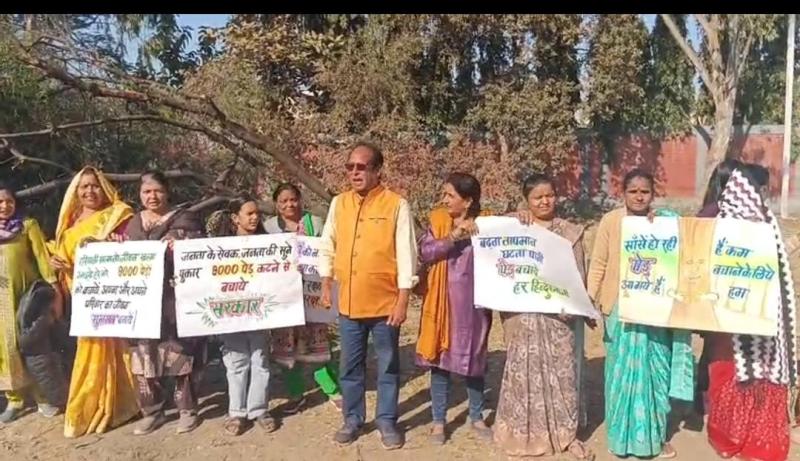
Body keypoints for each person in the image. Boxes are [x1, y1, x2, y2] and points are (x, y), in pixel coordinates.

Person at [587, 169, 694, 459]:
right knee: (620, 375)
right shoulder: (611, 221)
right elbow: (599, 263)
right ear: (622, 193)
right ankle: (620, 438)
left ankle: (654, 437)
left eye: (644, 191)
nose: (638, 197)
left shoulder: (664, 222)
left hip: (655, 310)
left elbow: (686, 250)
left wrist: (663, 222)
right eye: (633, 191)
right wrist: (590, 299)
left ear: (653, 194)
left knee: (656, 373)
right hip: (619, 309)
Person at [318, 141, 418, 450]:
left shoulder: (396, 204)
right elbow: (328, 243)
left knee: (387, 366)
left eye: (361, 167)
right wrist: (326, 282)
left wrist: (403, 300)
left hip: (385, 303)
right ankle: (352, 419)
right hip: (349, 302)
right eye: (350, 167)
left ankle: (386, 420)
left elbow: (407, 254)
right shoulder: (339, 203)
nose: (354, 172)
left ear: (377, 170)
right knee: (350, 367)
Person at [492, 173, 595, 460]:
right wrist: (516, 216)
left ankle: (566, 434)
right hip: (524, 316)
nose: (544, 201)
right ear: (526, 200)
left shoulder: (569, 233)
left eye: (549, 195)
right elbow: (489, 238)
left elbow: (579, 275)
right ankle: (524, 434)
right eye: (537, 197)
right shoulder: (515, 227)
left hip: (558, 319)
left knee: (563, 373)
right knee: (524, 373)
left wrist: (575, 306)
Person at [704, 166, 795, 461]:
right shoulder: (718, 222)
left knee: (762, 377)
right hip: (727, 320)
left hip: (763, 319)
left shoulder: (766, 224)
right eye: (760, 188)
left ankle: (757, 437)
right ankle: (729, 437)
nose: (764, 193)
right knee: (727, 375)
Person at [48, 167, 140, 438]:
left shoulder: (119, 215)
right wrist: (58, 264)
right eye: (84, 186)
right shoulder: (70, 224)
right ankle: (90, 407)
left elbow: (134, 250)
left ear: (104, 188)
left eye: (95, 185)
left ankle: (123, 404)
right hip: (85, 300)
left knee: (118, 347)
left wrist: (118, 244)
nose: (90, 191)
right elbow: (65, 262)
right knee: (89, 348)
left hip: (114, 297)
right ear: (75, 192)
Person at [123, 171, 206, 435]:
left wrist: (176, 248)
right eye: (146, 191)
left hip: (175, 299)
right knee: (144, 355)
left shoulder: (185, 219)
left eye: (157, 190)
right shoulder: (133, 224)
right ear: (140, 194)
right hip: (142, 302)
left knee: (180, 354)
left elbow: (199, 254)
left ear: (167, 191)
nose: (152, 196)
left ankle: (187, 410)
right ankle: (152, 411)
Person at [415, 172, 492, 445]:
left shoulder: (486, 224)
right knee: (439, 362)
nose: (444, 199)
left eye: (450, 195)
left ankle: (476, 416)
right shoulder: (438, 222)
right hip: (441, 304)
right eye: (444, 194)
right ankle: (439, 421)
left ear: (468, 201)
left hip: (474, 306)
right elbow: (425, 252)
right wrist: (453, 237)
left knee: (475, 360)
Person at [264, 182, 342, 414]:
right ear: (276, 205)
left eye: (293, 199)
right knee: (286, 349)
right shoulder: (268, 228)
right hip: (283, 298)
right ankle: (296, 394)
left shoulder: (315, 223)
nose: (289, 204)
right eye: (284, 201)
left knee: (317, 346)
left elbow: (327, 251)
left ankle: (332, 390)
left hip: (311, 295)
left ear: (300, 200)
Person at [0, 183, 65, 422]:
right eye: (0, 202)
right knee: (5, 350)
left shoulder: (27, 226)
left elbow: (42, 258)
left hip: (26, 299)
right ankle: (14, 399)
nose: (4, 206)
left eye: (9, 201)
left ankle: (42, 397)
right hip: (1, 303)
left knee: (34, 346)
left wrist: (54, 289)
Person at [211, 197, 276, 436]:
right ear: (235, 218)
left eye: (257, 213)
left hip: (260, 312)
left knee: (260, 360)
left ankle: (259, 410)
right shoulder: (219, 248)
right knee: (236, 362)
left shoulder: (269, 245)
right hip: (231, 314)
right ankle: (237, 412)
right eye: (249, 213)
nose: (255, 217)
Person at [695, 158, 743, 417]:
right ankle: (709, 399)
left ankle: (718, 398)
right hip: (712, 293)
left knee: (726, 349)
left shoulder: (746, 215)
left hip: (738, 294)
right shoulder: (710, 214)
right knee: (716, 349)